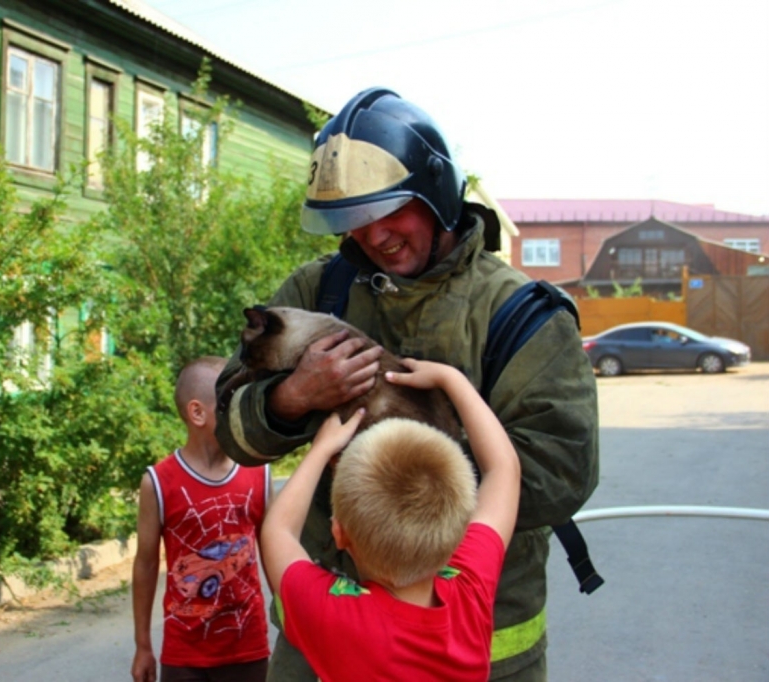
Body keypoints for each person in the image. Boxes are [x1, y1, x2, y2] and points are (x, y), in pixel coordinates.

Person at [215, 87, 600, 681]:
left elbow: (560, 471)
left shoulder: (522, 315)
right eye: (355, 221)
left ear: (437, 193)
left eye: (390, 211)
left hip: (487, 650)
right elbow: (230, 428)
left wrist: (395, 476)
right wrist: (294, 397)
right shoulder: (317, 294)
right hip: (319, 655)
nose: (373, 236)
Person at [261, 358, 521, 681]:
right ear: (458, 533)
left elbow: (277, 531)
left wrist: (322, 449)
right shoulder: (469, 589)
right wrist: (451, 379)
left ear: (339, 533)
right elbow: (504, 469)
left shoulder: (335, 617)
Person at [132, 356, 272, 682]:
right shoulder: (158, 482)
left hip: (248, 648)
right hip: (184, 655)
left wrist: (292, 616)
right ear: (197, 413)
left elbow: (273, 552)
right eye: (230, 403)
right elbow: (146, 564)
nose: (240, 413)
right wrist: (142, 646)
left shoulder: (258, 473)